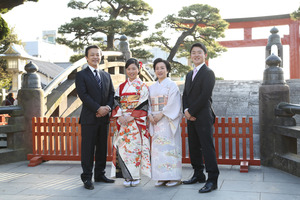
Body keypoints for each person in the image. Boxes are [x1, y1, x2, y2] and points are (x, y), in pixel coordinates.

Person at [75, 45, 115, 190]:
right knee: (88, 148)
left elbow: (112, 94)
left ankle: (100, 174)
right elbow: (83, 95)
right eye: (92, 55)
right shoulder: (81, 75)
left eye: (97, 54)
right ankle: (87, 177)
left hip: (104, 118)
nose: (95, 57)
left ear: (101, 56)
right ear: (86, 57)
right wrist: (98, 108)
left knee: (102, 148)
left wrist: (107, 108)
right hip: (89, 118)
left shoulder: (106, 75)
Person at [182, 43, 219, 193]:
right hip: (190, 116)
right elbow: (185, 94)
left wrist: (191, 111)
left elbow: (205, 95)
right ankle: (198, 174)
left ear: (205, 55)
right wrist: (185, 110)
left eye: (199, 52)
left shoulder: (208, 72)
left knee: (207, 147)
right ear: (190, 56)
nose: (196, 55)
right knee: (194, 146)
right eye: (193, 53)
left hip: (203, 115)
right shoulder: (189, 74)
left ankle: (212, 179)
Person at [110, 58, 151, 187]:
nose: (131, 71)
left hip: (135, 123)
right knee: (123, 149)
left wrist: (132, 116)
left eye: (134, 68)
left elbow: (143, 103)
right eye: (128, 69)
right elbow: (116, 102)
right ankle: (127, 177)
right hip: (123, 122)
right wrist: (120, 116)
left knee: (135, 149)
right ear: (126, 70)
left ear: (139, 70)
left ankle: (136, 176)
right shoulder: (121, 87)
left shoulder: (143, 86)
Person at [148, 58, 182, 187]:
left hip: (167, 121)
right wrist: (150, 115)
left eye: (162, 68)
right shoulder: (151, 87)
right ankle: (161, 176)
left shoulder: (172, 85)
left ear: (167, 70)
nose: (159, 70)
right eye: (157, 68)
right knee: (158, 150)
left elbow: (174, 103)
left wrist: (161, 114)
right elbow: (149, 104)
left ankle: (174, 177)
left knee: (170, 148)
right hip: (156, 122)